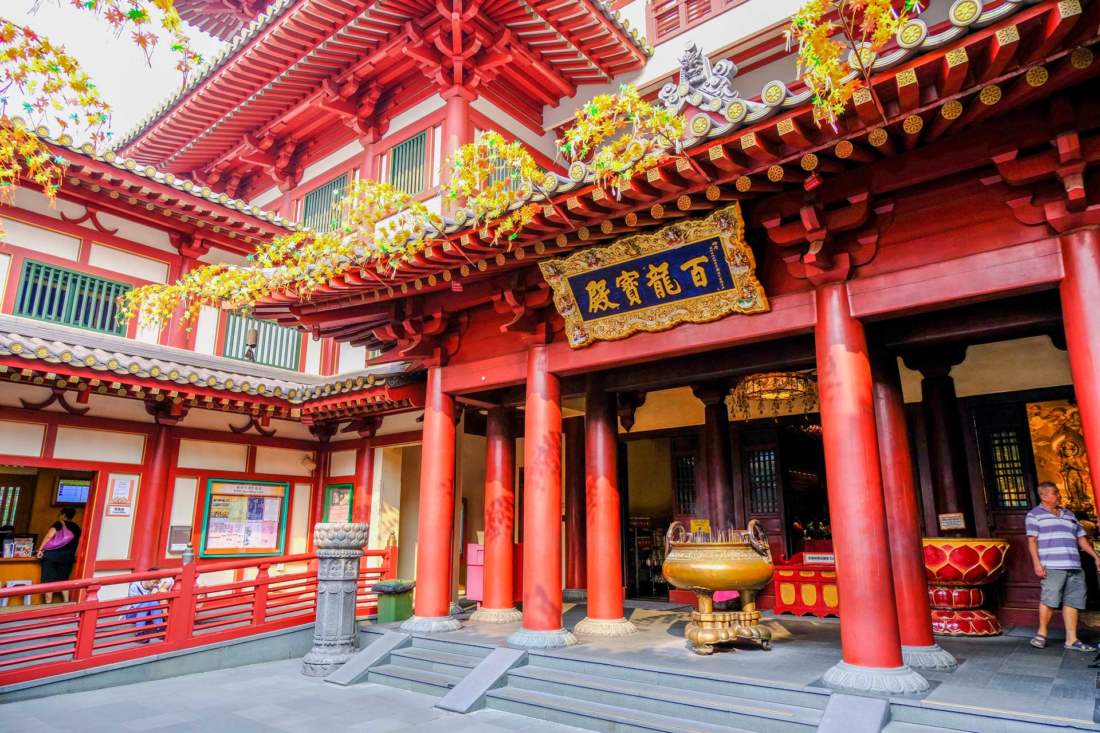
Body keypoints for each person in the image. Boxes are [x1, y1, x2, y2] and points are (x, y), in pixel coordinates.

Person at [1027, 482, 1100, 651]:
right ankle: (1041, 634)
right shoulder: (1034, 515)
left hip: (1074, 564)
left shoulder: (1069, 514)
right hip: (1052, 565)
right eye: (1055, 493)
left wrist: (1096, 557)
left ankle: (1071, 640)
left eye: (1058, 492)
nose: (1059, 495)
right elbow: (1032, 541)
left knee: (1073, 601)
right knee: (1049, 599)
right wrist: (1037, 563)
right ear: (1044, 496)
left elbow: (1081, 538)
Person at [36, 507, 81, 603]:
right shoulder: (77, 528)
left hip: (52, 557)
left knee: (48, 581)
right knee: (64, 580)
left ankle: (48, 604)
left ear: (63, 515)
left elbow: (49, 536)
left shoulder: (58, 524)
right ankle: (66, 602)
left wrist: (40, 549)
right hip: (68, 558)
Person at [125, 577, 173, 642]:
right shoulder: (135, 586)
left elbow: (170, 580)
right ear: (147, 579)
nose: (155, 585)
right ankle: (139, 633)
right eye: (154, 582)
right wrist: (151, 595)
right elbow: (136, 605)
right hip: (133, 613)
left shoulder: (155, 587)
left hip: (148, 613)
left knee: (154, 603)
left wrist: (160, 589)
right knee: (147, 603)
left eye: (157, 583)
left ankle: (160, 629)